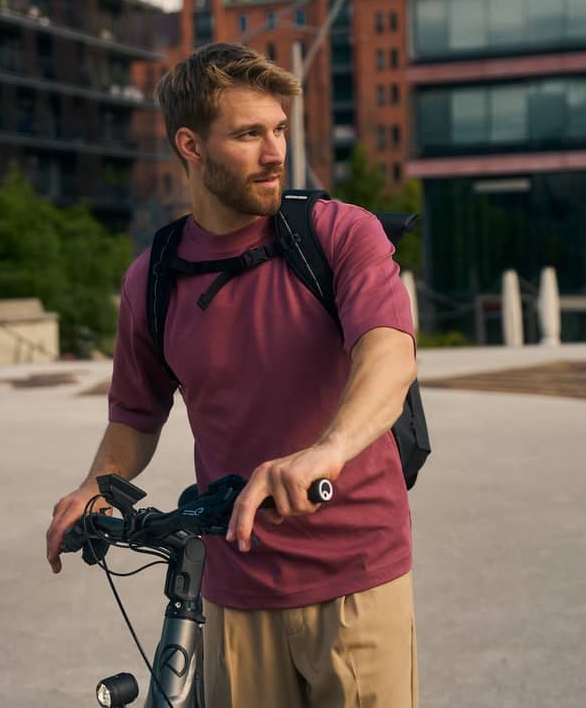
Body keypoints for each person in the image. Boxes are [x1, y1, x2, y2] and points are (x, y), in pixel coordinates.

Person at [45, 42, 418, 707]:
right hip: (233, 588)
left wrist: (324, 452)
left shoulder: (337, 235)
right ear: (190, 144)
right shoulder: (153, 278)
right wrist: (94, 488)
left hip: (355, 580)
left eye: (279, 130)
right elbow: (136, 416)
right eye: (250, 134)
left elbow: (389, 354)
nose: (276, 152)